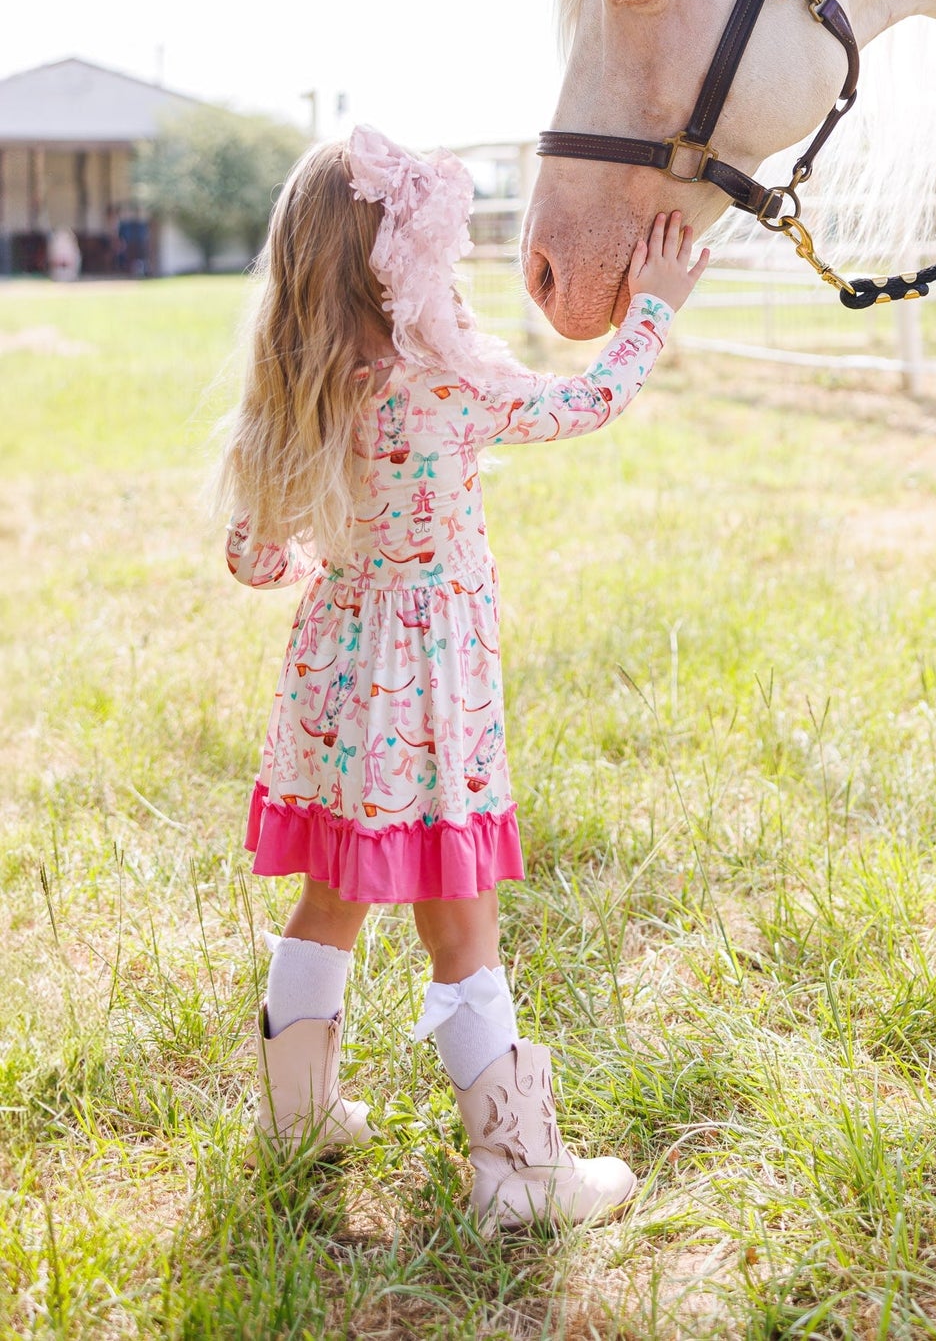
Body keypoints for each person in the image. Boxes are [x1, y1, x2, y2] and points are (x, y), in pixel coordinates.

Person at [219, 126, 707, 1227]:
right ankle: (518, 1173)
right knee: (462, 924)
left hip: (339, 688)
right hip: (433, 694)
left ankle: (294, 1114)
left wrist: (325, 556)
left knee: (332, 894)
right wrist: (654, 309)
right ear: (409, 259)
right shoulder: (443, 385)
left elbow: (254, 560)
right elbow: (583, 401)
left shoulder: (298, 391)